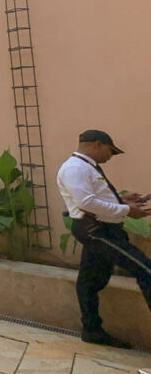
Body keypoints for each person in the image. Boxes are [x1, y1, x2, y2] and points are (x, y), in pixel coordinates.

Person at [56, 129, 151, 349]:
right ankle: (91, 328)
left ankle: (92, 330)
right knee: (145, 270)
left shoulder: (86, 167)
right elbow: (86, 203)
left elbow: (94, 197)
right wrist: (126, 210)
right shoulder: (75, 168)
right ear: (97, 144)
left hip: (103, 229)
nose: (110, 156)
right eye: (110, 151)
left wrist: (121, 199)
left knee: (89, 281)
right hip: (96, 231)